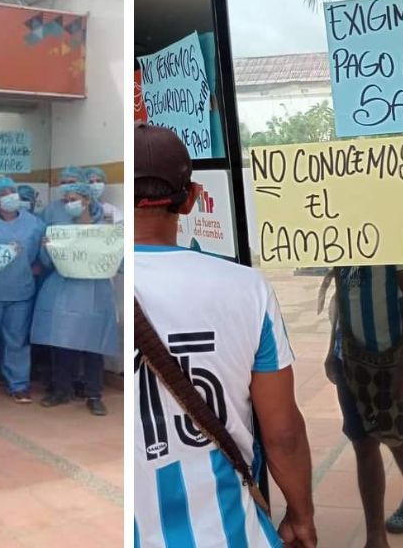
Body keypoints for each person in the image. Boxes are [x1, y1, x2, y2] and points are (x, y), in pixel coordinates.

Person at [133, 124, 316, 547]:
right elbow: (282, 432)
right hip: (230, 531)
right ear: (191, 199)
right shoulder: (247, 288)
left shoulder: (102, 280)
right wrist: (301, 514)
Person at [328, 264, 403, 546]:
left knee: (397, 437)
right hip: (347, 356)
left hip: (391, 361)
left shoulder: (394, 237)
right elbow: (341, 296)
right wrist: (331, 352)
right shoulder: (342, 236)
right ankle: (375, 536)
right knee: (363, 443)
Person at [32, 183, 118, 416]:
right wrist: (47, 249)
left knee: (93, 345)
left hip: (95, 292)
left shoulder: (105, 230)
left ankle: (94, 394)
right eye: (65, 199)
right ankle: (61, 390)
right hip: (65, 290)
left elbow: (117, 263)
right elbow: (48, 264)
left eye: (73, 198)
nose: (69, 203)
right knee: (62, 342)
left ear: (87, 200)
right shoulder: (61, 231)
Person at [0, 177, 45, 403]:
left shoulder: (34, 224)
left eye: (12, 191)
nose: (10, 196)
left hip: (21, 291)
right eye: (4, 193)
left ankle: (18, 384)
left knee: (17, 340)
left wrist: (33, 264)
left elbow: (39, 258)